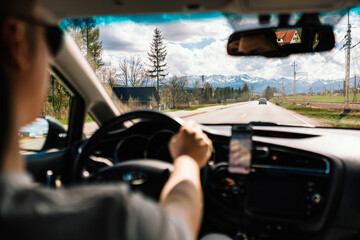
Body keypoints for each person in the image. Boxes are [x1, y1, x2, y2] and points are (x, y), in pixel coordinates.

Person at [0, 1, 231, 239]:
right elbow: (180, 228)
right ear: (15, 39)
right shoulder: (116, 219)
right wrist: (188, 158)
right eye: (52, 40)